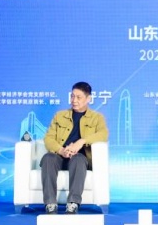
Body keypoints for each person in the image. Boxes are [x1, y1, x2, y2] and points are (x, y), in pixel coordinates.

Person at [41, 81, 109, 214]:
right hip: (60, 155)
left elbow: (103, 134)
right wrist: (61, 150)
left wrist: (82, 142)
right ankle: (50, 204)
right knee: (48, 157)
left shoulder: (97, 118)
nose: (74, 100)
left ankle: (73, 203)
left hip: (79, 158)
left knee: (78, 159)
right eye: (72, 96)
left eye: (78, 97)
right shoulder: (60, 116)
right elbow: (48, 138)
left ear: (88, 99)